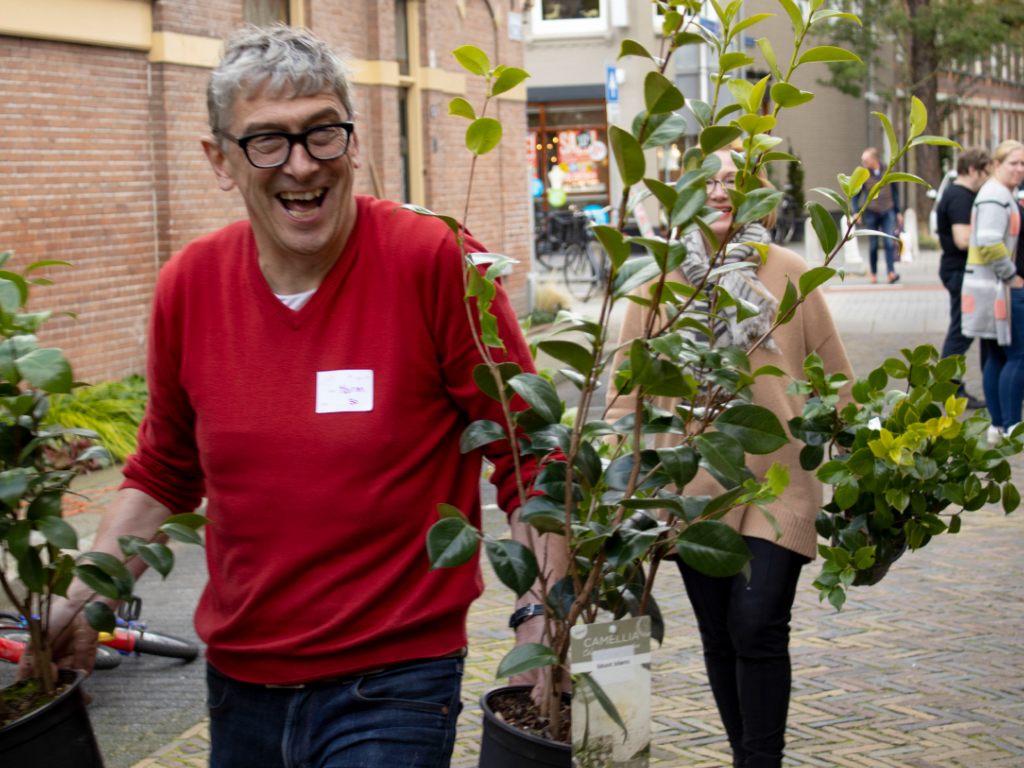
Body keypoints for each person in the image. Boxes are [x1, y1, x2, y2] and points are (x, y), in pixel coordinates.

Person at [18, 26, 560, 768]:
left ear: (354, 141)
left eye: (322, 134)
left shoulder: (435, 259)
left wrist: (542, 624)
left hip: (393, 684)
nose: (301, 164)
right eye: (267, 142)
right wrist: (85, 600)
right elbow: (164, 471)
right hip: (240, 681)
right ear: (220, 160)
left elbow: (528, 451)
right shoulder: (190, 285)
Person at [608, 146, 854, 768]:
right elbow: (623, 393)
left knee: (757, 624)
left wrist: (860, 465)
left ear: (758, 196)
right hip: (692, 486)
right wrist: (618, 480)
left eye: (734, 181)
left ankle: (759, 761)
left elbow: (836, 380)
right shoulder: (657, 281)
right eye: (707, 181)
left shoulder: (791, 272)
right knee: (720, 635)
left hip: (781, 483)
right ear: (686, 193)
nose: (720, 191)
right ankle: (744, 753)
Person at [962, 140, 1024, 442]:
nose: (1020, 169)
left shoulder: (998, 194)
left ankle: (999, 425)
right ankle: (1011, 424)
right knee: (1017, 354)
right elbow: (989, 242)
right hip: (999, 289)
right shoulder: (995, 197)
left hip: (991, 288)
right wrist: (1012, 277)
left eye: (1023, 164)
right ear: (996, 165)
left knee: (998, 355)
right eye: (1014, 163)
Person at [936, 147, 992, 409]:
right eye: (986, 173)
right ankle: (950, 390)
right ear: (973, 170)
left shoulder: (956, 193)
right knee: (961, 332)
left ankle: (950, 388)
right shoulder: (960, 196)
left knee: (961, 330)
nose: (987, 179)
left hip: (957, 270)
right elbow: (962, 239)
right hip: (960, 271)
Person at [855, 147, 904, 284]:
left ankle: (891, 272)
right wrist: (855, 212)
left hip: (888, 211)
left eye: (866, 160)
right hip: (872, 212)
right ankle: (874, 273)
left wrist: (898, 211)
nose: (863, 163)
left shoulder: (887, 171)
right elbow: (856, 195)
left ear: (874, 159)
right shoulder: (864, 175)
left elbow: (895, 192)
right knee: (873, 245)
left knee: (889, 241)